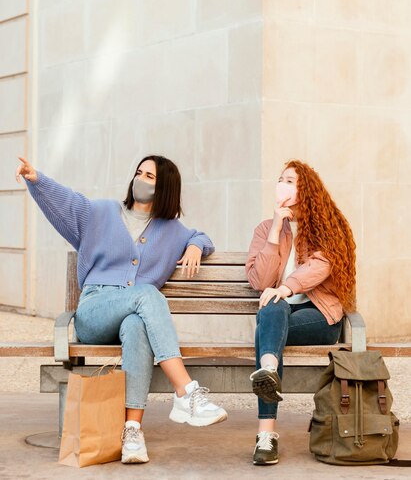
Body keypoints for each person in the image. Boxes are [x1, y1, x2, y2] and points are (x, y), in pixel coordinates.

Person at [16, 155, 227, 464]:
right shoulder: (101, 212)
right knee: (147, 295)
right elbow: (66, 203)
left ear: (166, 187)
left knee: (137, 326)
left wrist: (195, 246)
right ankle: (185, 391)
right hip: (94, 312)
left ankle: (132, 432)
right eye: (139, 173)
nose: (141, 179)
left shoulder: (171, 229)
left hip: (131, 315)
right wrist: (37, 179)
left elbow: (200, 237)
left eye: (150, 177)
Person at [246, 159, 356, 466]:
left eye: (290, 181)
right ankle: (268, 371)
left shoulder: (325, 224)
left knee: (271, 312)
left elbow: (320, 265)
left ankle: (266, 434)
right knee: (272, 309)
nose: (283, 184)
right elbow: (260, 281)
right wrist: (275, 230)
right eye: (280, 179)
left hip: (319, 316)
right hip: (277, 316)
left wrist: (286, 287)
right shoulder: (265, 229)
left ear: (305, 189)